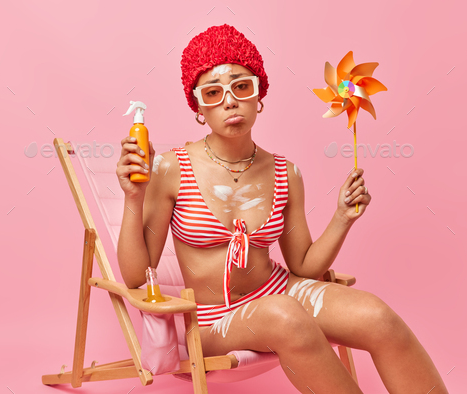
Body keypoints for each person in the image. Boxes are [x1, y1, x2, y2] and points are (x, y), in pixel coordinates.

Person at [116, 24, 448, 394]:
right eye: (213, 93)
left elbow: (304, 266)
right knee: (285, 315)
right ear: (198, 108)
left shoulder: (284, 171)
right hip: (214, 321)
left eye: (241, 86)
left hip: (280, 291)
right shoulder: (169, 169)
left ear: (259, 94)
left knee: (378, 316)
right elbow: (134, 279)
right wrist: (133, 197)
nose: (229, 101)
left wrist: (341, 218)